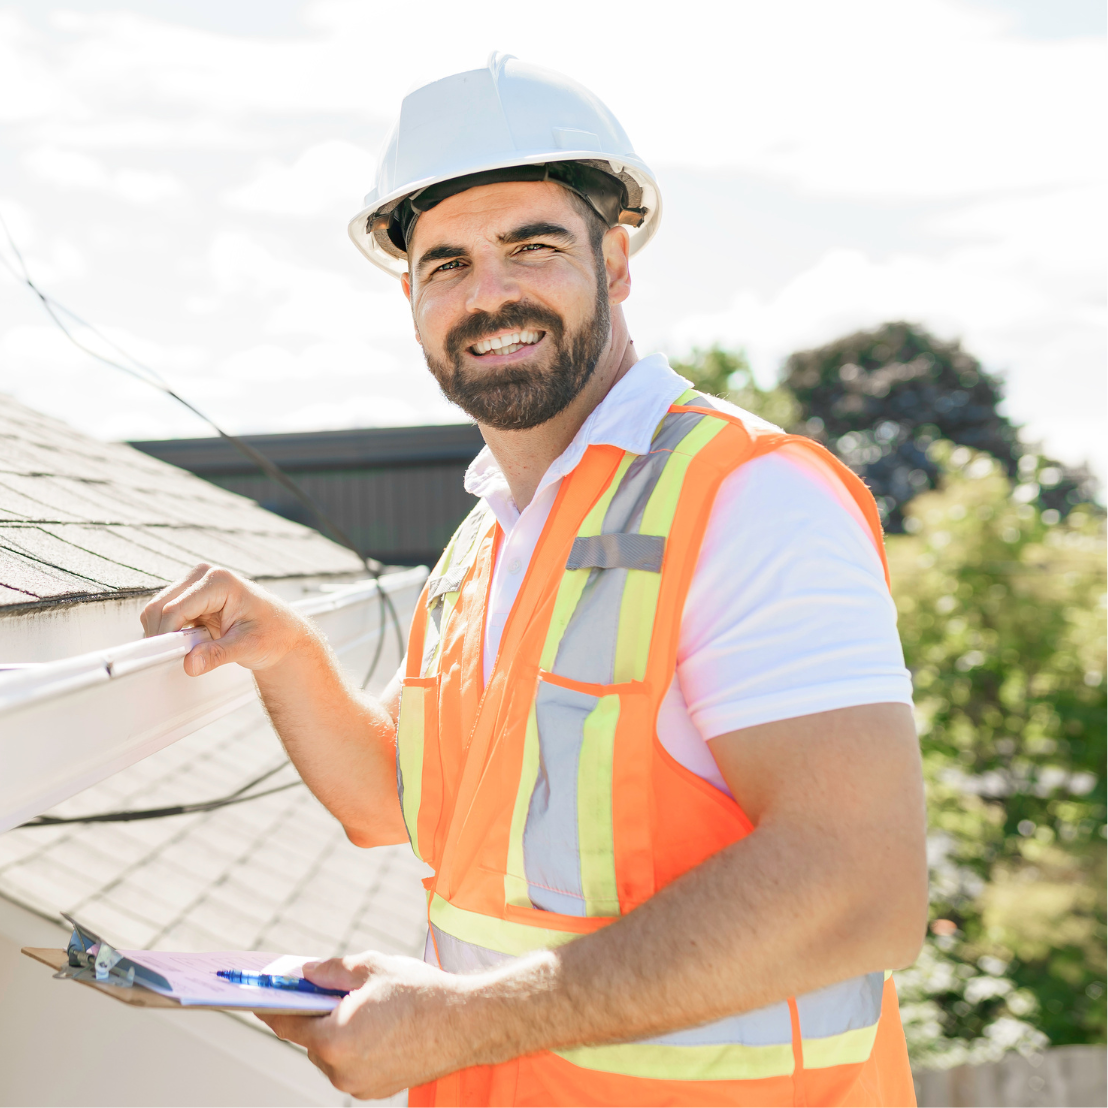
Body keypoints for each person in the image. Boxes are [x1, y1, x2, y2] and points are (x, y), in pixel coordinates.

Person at [142, 54, 927, 1107]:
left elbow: (858, 888)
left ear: (617, 258)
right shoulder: (484, 544)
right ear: (411, 297)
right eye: (447, 264)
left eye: (533, 246)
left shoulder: (748, 498)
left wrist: (458, 1020)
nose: (490, 292)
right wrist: (286, 652)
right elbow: (402, 807)